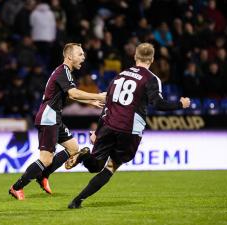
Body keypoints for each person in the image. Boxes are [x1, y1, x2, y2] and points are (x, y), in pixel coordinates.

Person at [65, 43, 191, 209]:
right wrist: (180, 104)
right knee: (111, 167)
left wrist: (98, 130)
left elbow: (108, 104)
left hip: (109, 125)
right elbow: (158, 104)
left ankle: (83, 157)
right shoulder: (151, 79)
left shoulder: (119, 76)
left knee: (94, 165)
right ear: (152, 59)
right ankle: (76, 201)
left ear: (135, 57)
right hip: (129, 129)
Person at [9, 43, 106, 200]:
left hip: (54, 117)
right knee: (46, 159)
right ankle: (16, 187)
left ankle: (43, 176)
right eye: (80, 54)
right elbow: (73, 93)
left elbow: (70, 95)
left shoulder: (65, 72)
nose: (84, 57)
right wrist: (98, 96)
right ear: (69, 56)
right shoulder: (63, 71)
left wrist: (91, 102)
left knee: (73, 148)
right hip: (48, 117)